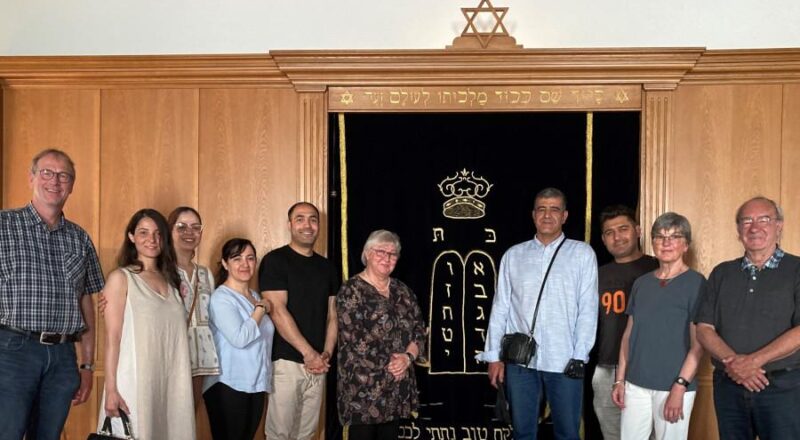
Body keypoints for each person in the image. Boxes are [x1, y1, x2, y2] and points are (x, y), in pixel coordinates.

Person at [478, 187, 598, 440]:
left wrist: (579, 355)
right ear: (533, 215)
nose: (547, 215)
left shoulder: (582, 254)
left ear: (564, 216)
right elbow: (501, 307)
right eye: (541, 209)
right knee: (522, 433)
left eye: (554, 209)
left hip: (565, 359)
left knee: (567, 433)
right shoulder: (514, 255)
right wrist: (493, 357)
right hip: (521, 361)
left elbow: (587, 309)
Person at [0, 149, 104, 439]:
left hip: (62, 357)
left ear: (71, 185)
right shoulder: (3, 226)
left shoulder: (80, 238)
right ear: (32, 177)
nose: (54, 181)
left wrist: (86, 365)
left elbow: (87, 305)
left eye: (63, 176)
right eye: (47, 172)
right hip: (11, 351)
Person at [695, 196, 800, 440]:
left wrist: (753, 362)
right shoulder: (722, 273)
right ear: (738, 230)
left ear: (779, 225)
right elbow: (704, 328)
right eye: (746, 221)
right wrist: (735, 364)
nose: (754, 227)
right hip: (728, 385)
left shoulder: (796, 269)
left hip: (783, 388)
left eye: (764, 219)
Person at [99, 209, 195, 439]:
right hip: (134, 380)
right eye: (143, 232)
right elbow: (112, 337)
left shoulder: (173, 281)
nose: (151, 240)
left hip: (172, 382)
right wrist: (111, 388)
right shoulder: (120, 278)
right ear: (131, 236)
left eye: (157, 233)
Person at [611, 212, 705, 440]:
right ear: (652, 242)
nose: (666, 242)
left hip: (672, 386)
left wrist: (680, 386)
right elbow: (628, 336)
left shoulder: (697, 283)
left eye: (674, 236)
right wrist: (620, 380)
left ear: (686, 245)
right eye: (660, 236)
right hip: (635, 385)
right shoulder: (642, 284)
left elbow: (699, 345)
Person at [259, 202, 338, 440]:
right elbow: (277, 311)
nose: (307, 225)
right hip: (287, 362)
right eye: (300, 219)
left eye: (313, 219)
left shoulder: (328, 267)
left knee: (306, 434)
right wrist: (309, 353)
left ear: (319, 225)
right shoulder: (275, 261)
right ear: (290, 224)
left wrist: (325, 354)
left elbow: (333, 315)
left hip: (318, 366)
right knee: (280, 434)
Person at [337, 230, 426, 440]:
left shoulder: (403, 290)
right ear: (367, 253)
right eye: (381, 252)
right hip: (363, 389)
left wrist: (407, 358)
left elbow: (419, 329)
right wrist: (395, 366)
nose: (387, 258)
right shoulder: (351, 290)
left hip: (396, 385)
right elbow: (355, 340)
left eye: (393, 254)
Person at [592, 205, 658, 440]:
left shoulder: (659, 267)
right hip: (607, 369)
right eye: (609, 232)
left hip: (648, 369)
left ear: (638, 230)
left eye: (623, 229)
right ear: (603, 239)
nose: (617, 237)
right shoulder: (596, 274)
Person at [203, 238, 275, 440]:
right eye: (237, 258)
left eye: (250, 258)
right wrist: (261, 309)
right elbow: (240, 338)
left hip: (256, 384)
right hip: (229, 384)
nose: (245, 264)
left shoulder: (254, 295)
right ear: (225, 263)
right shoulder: (221, 298)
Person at [167, 207, 221, 400]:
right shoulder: (160, 272)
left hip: (201, 358)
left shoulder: (205, 273)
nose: (189, 232)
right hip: (172, 354)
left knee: (189, 419)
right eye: (181, 227)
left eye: (195, 227)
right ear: (169, 231)